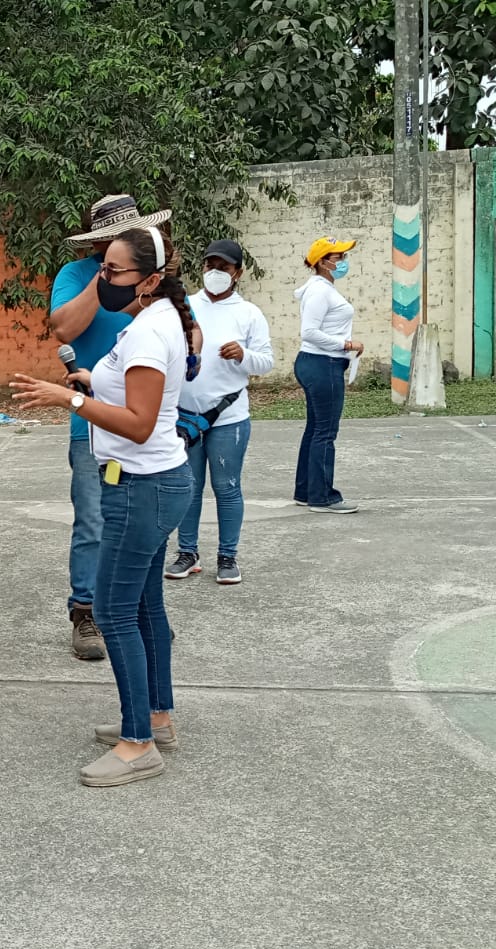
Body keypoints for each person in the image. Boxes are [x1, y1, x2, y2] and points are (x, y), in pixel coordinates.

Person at [12, 227, 196, 788]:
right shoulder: (155, 321)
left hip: (141, 487)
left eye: (115, 271)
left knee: (114, 612)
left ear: (151, 279)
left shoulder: (149, 332)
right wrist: (94, 380)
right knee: (145, 607)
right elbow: (140, 397)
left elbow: (140, 425)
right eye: (102, 269)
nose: (104, 279)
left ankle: (138, 744)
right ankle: (155, 718)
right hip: (155, 483)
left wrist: (70, 397)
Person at [48, 194, 172, 660]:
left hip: (148, 422)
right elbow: (64, 329)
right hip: (92, 424)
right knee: (93, 521)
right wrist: (103, 280)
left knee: (145, 522)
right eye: (110, 240)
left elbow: (187, 332)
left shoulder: (152, 279)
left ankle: (139, 611)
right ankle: (86, 612)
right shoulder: (75, 274)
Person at [164, 239, 274, 585]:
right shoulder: (185, 306)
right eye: (210, 266)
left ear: (237, 273)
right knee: (188, 486)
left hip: (228, 417)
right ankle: (187, 552)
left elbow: (266, 362)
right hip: (186, 416)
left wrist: (243, 354)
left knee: (226, 486)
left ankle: (228, 556)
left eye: (223, 268)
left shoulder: (249, 313)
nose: (215, 272)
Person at [294, 236, 362, 514]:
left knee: (315, 429)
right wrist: (346, 344)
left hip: (318, 363)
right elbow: (309, 332)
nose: (344, 261)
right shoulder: (320, 291)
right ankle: (322, 497)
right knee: (325, 432)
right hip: (322, 364)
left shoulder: (322, 288)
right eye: (338, 257)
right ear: (322, 263)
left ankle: (306, 491)